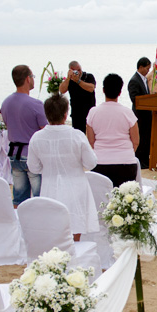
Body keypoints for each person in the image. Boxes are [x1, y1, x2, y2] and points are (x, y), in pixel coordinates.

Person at [28, 94, 98, 241]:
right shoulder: (76, 135)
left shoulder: (37, 137)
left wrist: (48, 168)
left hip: (49, 187)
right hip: (76, 187)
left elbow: (33, 168)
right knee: (75, 230)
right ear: (66, 114)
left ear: (46, 115)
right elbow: (91, 163)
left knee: (53, 231)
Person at [1, 64, 47, 206]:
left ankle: (20, 223)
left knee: (19, 197)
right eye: (32, 76)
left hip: (14, 153)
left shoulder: (6, 103)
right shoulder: (35, 104)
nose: (33, 79)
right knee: (40, 196)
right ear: (28, 79)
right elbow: (45, 130)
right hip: (32, 154)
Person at [87, 73, 140, 187]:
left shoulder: (93, 112)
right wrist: (124, 153)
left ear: (103, 90)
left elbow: (91, 141)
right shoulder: (127, 113)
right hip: (126, 165)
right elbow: (135, 141)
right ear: (120, 92)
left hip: (100, 164)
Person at [127, 57, 153, 169]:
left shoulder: (144, 79)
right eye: (147, 68)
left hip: (147, 115)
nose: (148, 71)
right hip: (140, 115)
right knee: (141, 139)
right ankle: (140, 162)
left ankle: (146, 160)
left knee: (147, 138)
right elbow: (135, 99)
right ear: (141, 67)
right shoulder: (134, 80)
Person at [59, 60, 97, 133]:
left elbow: (91, 88)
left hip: (89, 112)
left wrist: (78, 81)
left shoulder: (88, 76)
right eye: (76, 71)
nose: (78, 72)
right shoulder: (69, 81)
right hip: (76, 114)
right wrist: (68, 78)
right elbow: (62, 90)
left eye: (79, 70)